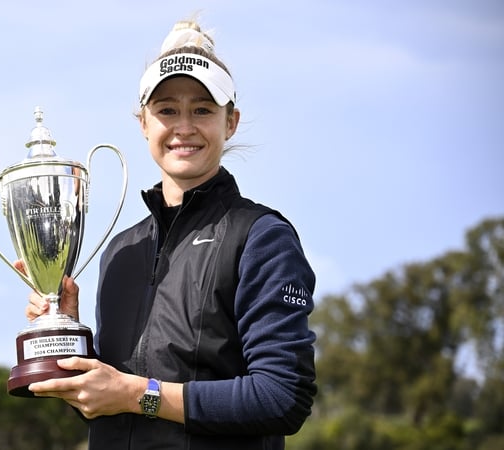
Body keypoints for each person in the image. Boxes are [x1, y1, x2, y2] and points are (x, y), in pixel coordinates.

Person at [23, 17, 317, 450]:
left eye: (202, 109)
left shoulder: (260, 238)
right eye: (166, 110)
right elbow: (107, 402)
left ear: (230, 122)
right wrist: (64, 332)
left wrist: (138, 395)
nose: (184, 127)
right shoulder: (121, 251)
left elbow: (281, 397)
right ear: (143, 122)